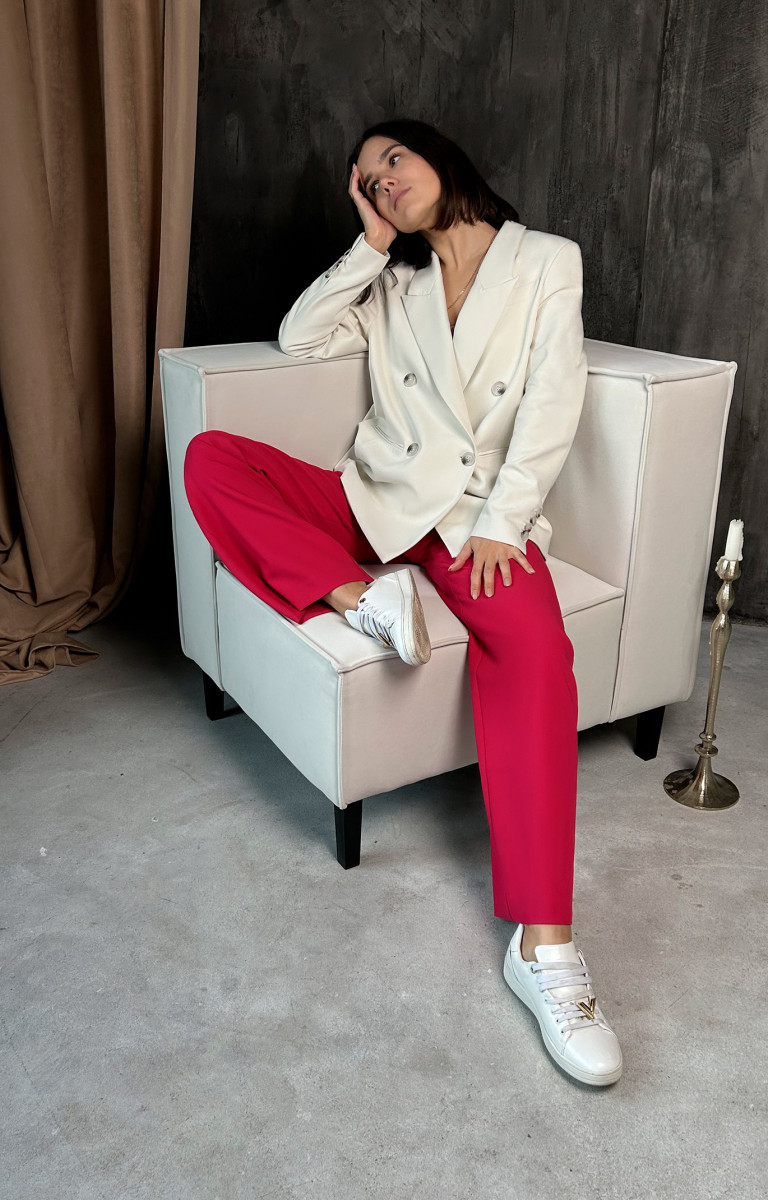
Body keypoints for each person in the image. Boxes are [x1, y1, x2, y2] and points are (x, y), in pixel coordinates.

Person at [184, 118, 622, 1087]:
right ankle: (361, 598)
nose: (382, 181)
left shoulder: (545, 260)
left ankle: (543, 948)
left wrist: (506, 520)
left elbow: (553, 396)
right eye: (366, 179)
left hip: (473, 522)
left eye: (393, 160)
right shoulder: (392, 282)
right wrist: (370, 244)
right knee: (209, 458)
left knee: (537, 654)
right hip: (373, 501)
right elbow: (300, 334)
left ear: (440, 157)